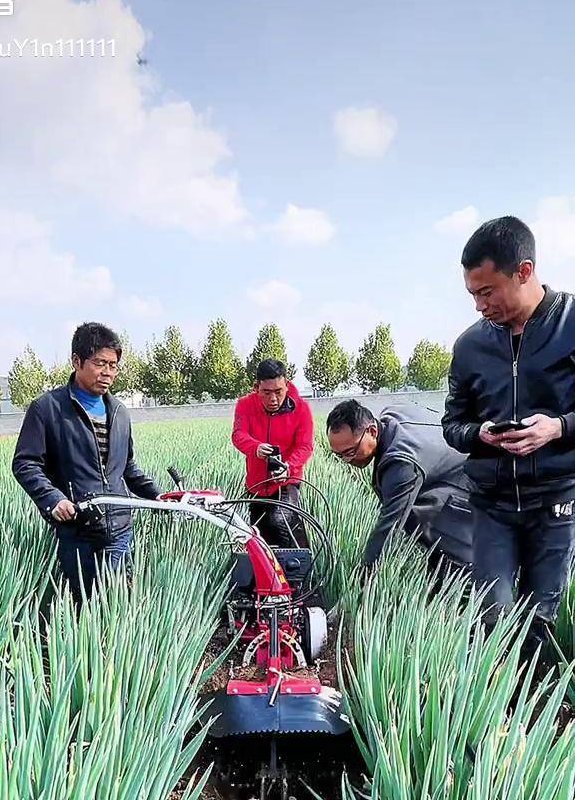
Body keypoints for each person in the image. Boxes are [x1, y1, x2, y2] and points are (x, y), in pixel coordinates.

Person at [442, 215, 575, 646]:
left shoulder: (571, 325)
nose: (479, 305)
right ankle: (496, 705)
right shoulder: (469, 346)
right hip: (491, 504)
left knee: (539, 622)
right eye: (472, 294)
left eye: (486, 291)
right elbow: (453, 424)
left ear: (524, 271)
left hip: (555, 501)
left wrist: (556, 428)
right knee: (493, 615)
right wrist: (479, 434)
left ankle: (530, 710)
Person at [12, 321, 160, 605]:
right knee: (84, 607)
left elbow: (126, 468)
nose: (108, 373)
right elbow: (25, 463)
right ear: (77, 361)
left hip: (119, 528)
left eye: (114, 365)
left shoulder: (118, 411)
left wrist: (159, 496)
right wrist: (53, 499)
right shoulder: (47, 409)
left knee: (117, 604)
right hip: (78, 531)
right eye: (100, 363)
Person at [327, 398, 473, 572]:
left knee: (459, 576)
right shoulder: (392, 415)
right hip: (455, 473)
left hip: (472, 493)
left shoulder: (402, 463)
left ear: (372, 431)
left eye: (350, 452)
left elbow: (390, 525)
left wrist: (364, 575)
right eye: (338, 455)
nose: (346, 461)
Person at [232, 358, 314, 546]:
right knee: (259, 535)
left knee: (281, 522)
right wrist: (255, 447)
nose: (273, 399)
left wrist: (288, 466)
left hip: (287, 480)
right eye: (266, 393)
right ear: (256, 387)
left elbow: (305, 446)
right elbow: (238, 435)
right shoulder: (244, 405)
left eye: (278, 392)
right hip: (256, 484)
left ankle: (301, 566)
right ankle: (268, 574)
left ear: (286, 384)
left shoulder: (301, 409)